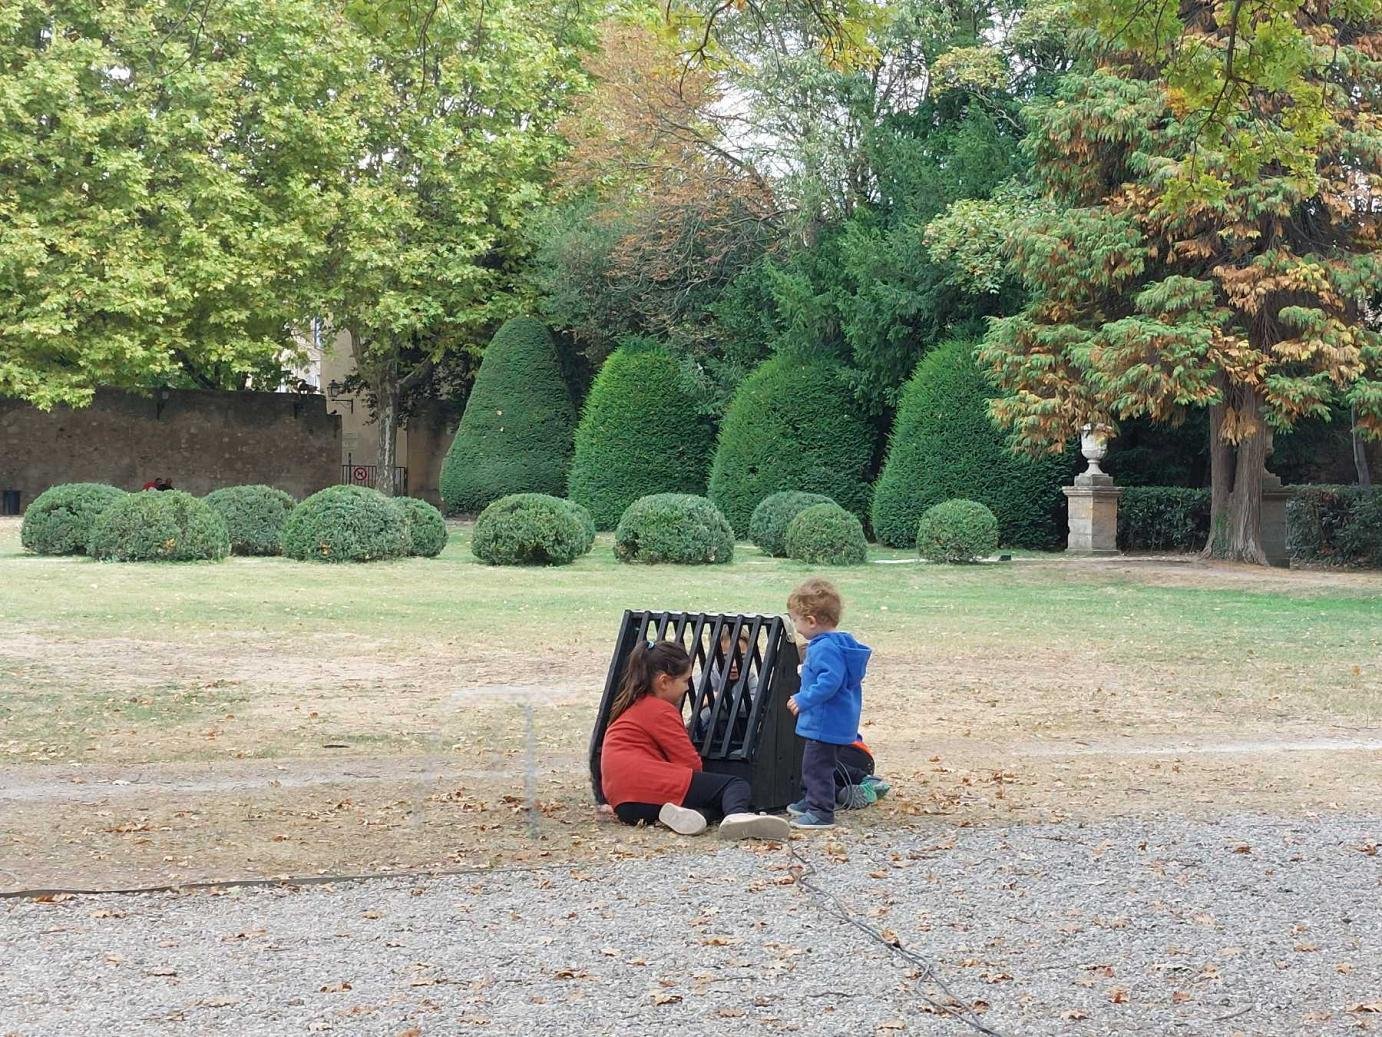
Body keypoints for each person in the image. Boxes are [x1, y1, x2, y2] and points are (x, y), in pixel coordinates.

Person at [600, 640, 790, 841]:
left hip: (624, 803)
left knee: (712, 799)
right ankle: (737, 817)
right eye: (684, 681)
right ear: (664, 682)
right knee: (735, 785)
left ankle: (689, 816)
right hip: (648, 783)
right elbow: (689, 763)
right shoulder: (661, 709)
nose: (686, 689)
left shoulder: (631, 705)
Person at [785, 578, 872, 830]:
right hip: (837, 720)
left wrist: (803, 698)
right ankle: (813, 799)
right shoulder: (840, 643)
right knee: (820, 764)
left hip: (825, 720)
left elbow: (829, 682)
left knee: (816, 766)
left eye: (796, 621)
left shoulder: (824, 648)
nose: (796, 627)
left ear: (811, 621)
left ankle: (821, 811)